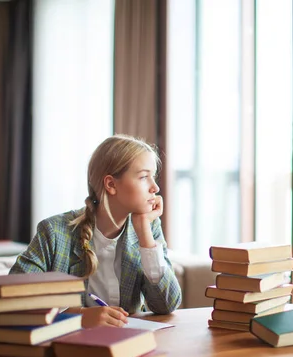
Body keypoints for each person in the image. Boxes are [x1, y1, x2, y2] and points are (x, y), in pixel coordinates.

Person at [10, 134, 182, 328]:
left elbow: (167, 304)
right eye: (144, 177)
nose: (155, 187)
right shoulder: (54, 232)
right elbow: (13, 297)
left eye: (154, 176)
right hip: (70, 348)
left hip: (127, 346)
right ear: (111, 184)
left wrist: (144, 232)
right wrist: (78, 317)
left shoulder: (149, 228)